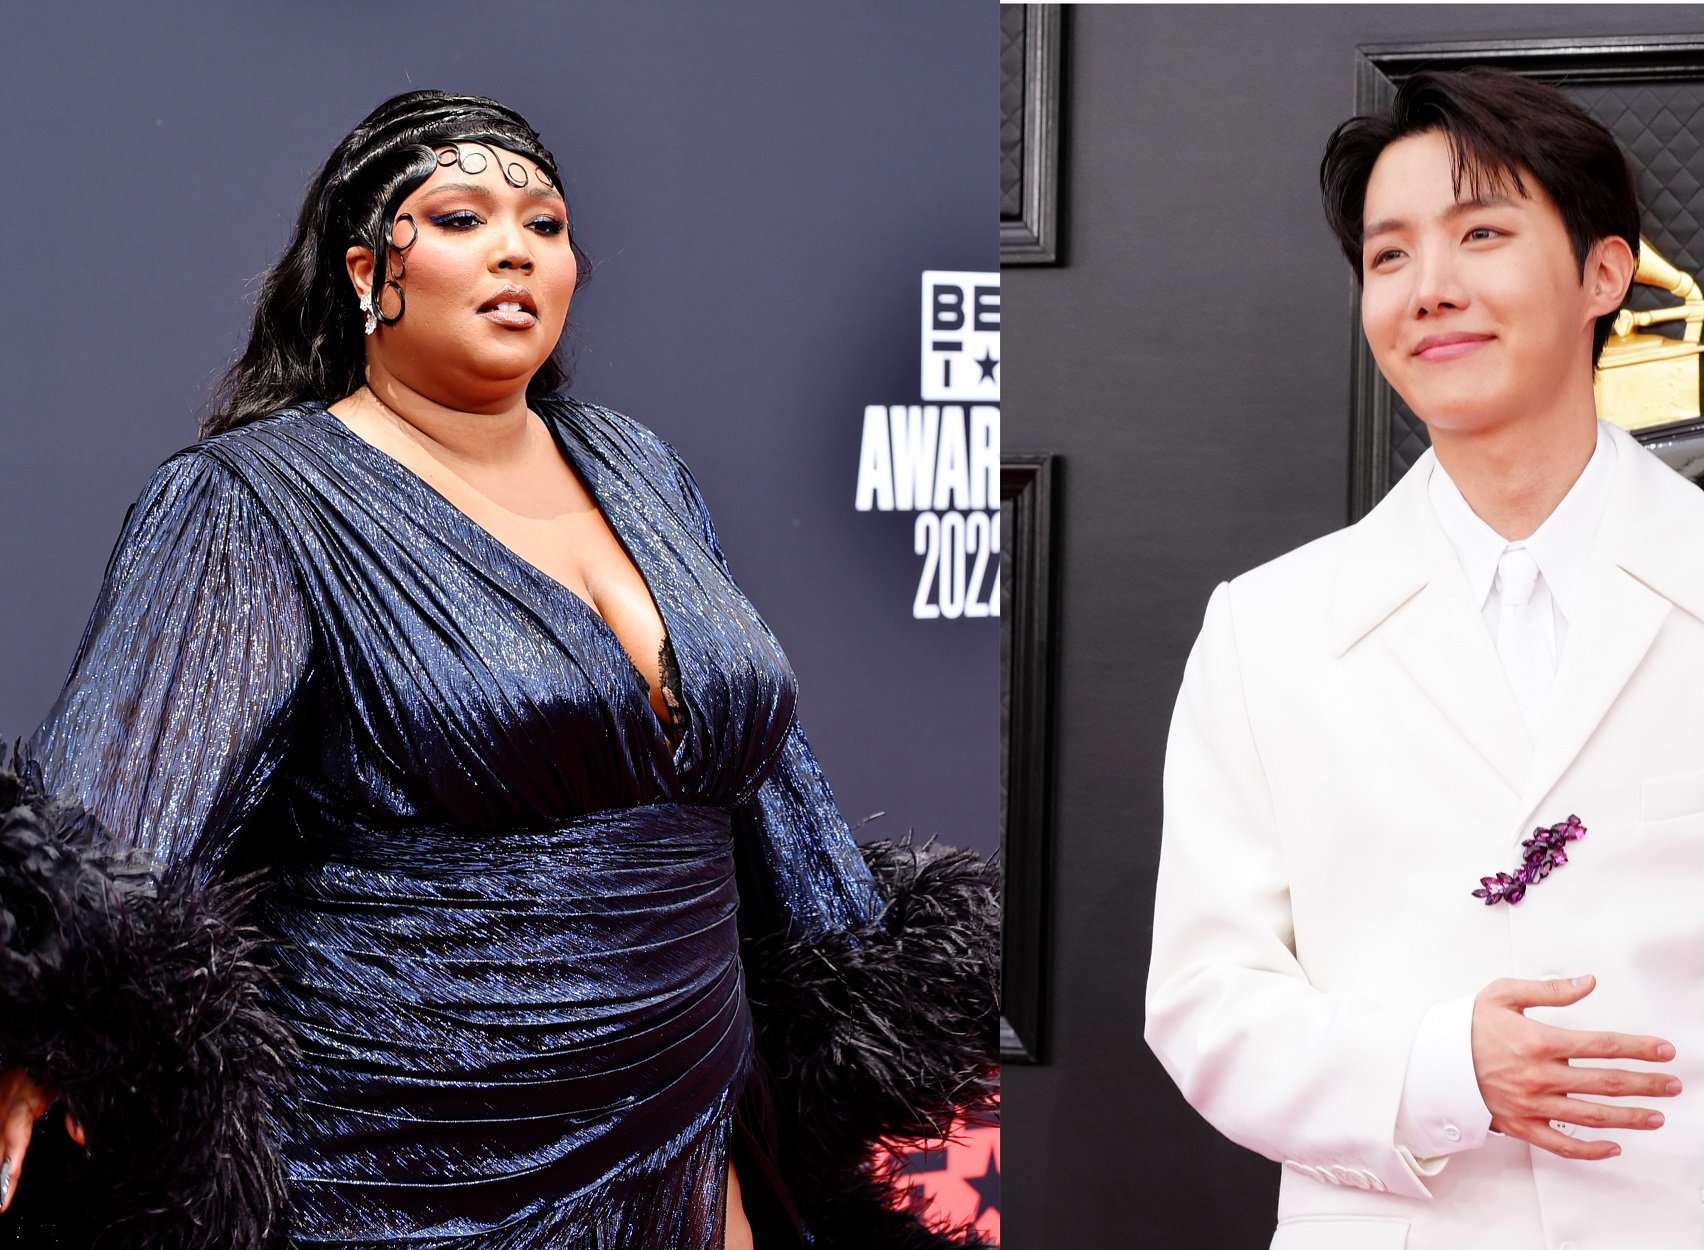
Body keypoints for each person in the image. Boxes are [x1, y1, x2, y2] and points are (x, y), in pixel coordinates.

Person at [0, 91, 995, 1250]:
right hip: (400, 1165)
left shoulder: (642, 467)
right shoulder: (253, 499)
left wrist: (874, 986)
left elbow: (771, 784)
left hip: (691, 1113)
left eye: (545, 223)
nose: (515, 248)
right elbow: (111, 827)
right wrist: (33, 1026)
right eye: (462, 217)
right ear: (368, 273)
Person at [1143, 67, 1704, 1250]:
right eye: (1389, 255)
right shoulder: (1266, 629)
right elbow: (1204, 1004)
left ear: (1602, 274)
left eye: (1480, 234)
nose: (1430, 287)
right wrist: (1438, 1070)